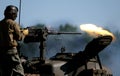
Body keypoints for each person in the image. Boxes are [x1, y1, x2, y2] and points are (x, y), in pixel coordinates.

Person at [0, 5, 28, 76]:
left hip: (2, 52)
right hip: (11, 52)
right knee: (19, 72)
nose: (16, 16)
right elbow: (19, 37)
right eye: (15, 14)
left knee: (6, 73)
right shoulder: (13, 23)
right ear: (13, 14)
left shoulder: (1, 23)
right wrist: (24, 33)